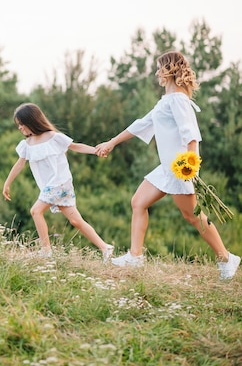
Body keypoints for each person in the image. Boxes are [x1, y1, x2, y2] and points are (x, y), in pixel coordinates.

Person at [95, 50, 240, 280]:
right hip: (167, 167)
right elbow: (142, 123)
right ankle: (135, 257)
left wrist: (191, 166)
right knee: (138, 202)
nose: (156, 73)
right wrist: (111, 143)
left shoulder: (179, 100)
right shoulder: (167, 100)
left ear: (169, 70)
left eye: (159, 68)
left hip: (181, 168)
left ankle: (226, 258)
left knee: (192, 216)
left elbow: (190, 134)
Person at [2, 103, 114, 260]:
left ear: (32, 121)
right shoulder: (27, 145)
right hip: (51, 187)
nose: (20, 128)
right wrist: (7, 183)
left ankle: (46, 251)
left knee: (36, 211)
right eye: (18, 125)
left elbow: (75, 147)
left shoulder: (53, 137)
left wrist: (95, 150)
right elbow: (19, 164)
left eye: (22, 124)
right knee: (76, 220)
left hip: (59, 183)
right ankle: (105, 248)